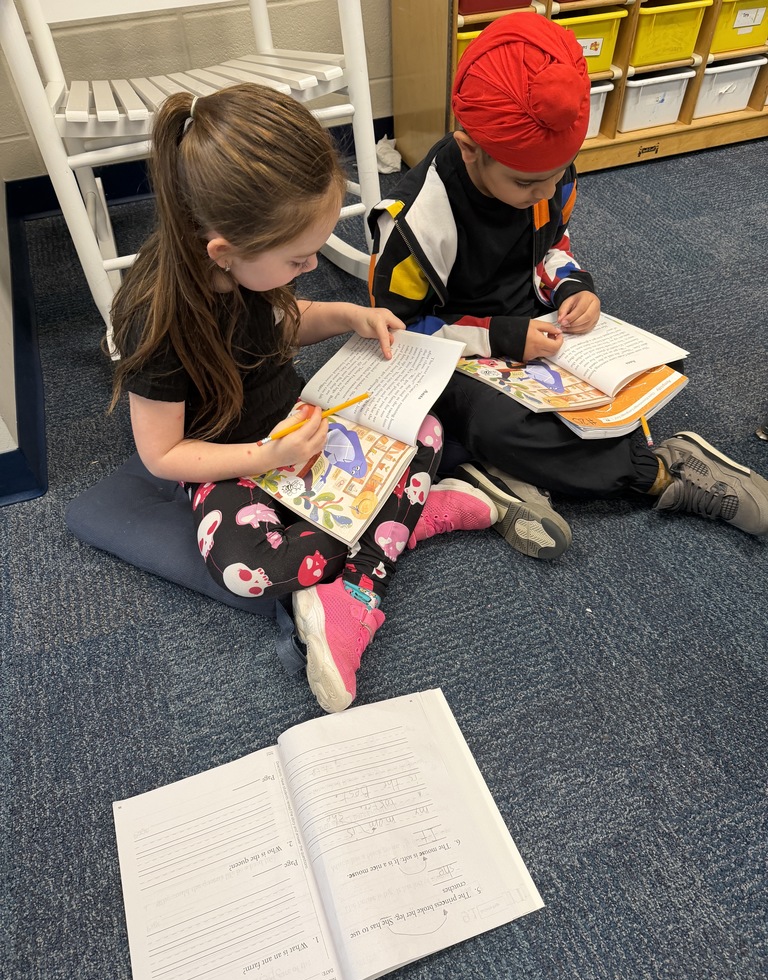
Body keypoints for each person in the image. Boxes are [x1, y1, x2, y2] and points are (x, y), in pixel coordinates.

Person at [107, 84, 498, 715]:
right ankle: (388, 546)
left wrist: (348, 315)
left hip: (302, 424)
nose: (313, 264)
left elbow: (284, 319)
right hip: (230, 460)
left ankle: (367, 559)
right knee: (243, 570)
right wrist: (264, 456)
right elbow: (162, 454)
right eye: (298, 258)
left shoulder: (252, 266)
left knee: (423, 429)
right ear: (223, 253)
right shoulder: (157, 320)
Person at [368, 12, 768, 549]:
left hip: (537, 327)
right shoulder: (416, 219)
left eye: (561, 172)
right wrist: (500, 338)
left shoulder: (547, 174)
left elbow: (552, 246)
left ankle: (498, 478)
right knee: (490, 422)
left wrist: (573, 286)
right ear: (469, 151)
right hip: (456, 344)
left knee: (617, 384)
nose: (548, 190)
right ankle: (660, 473)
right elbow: (397, 330)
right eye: (529, 181)